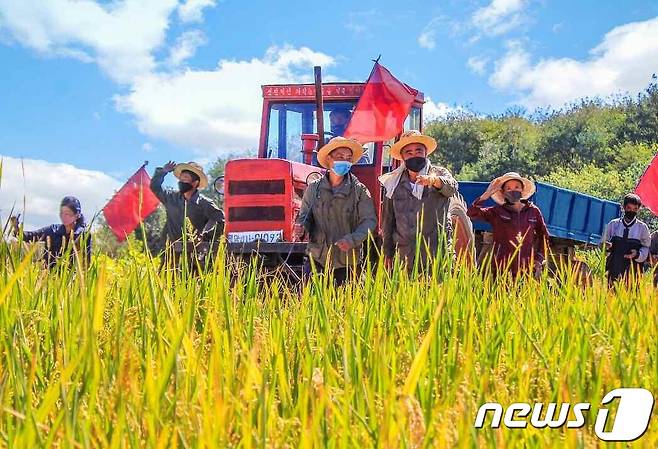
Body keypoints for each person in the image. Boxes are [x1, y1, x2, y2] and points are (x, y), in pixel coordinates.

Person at [293, 136, 377, 286]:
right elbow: (304, 217)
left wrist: (352, 240)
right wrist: (301, 228)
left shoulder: (359, 191)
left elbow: (369, 222)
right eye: (340, 157)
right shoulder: (314, 189)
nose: (344, 161)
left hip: (348, 264)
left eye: (348, 158)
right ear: (329, 159)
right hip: (317, 261)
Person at [379, 130, 458, 271]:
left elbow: (452, 188)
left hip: (437, 255)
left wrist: (433, 181)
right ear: (402, 157)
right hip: (405, 257)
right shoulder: (393, 183)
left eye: (418, 151)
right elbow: (388, 221)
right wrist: (387, 252)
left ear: (425, 153)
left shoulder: (439, 173)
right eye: (409, 153)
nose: (414, 155)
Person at [467, 172, 549, 277]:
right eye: (508, 188)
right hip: (502, 270)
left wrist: (539, 259)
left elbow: (544, 236)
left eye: (516, 187)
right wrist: (486, 194)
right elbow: (472, 213)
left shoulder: (533, 211)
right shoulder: (497, 212)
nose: (513, 190)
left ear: (522, 189)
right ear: (503, 192)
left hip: (527, 270)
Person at [150, 161, 224, 248]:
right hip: (170, 252)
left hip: (193, 252)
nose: (181, 181)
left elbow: (221, 220)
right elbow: (155, 187)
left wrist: (206, 237)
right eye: (180, 178)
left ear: (195, 183)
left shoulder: (204, 203)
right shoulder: (171, 198)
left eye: (185, 178)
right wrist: (163, 172)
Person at [12, 196, 91, 268]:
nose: (63, 216)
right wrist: (16, 228)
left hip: (72, 277)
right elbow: (29, 236)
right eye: (62, 213)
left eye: (67, 214)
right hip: (49, 275)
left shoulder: (83, 235)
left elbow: (85, 263)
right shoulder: (52, 230)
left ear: (77, 215)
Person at [603, 194, 650, 284]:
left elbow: (646, 247)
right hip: (614, 267)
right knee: (611, 291)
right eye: (629, 208)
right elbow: (603, 244)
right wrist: (606, 246)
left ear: (638, 209)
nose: (632, 211)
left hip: (633, 270)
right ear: (624, 207)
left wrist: (637, 254)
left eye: (635, 209)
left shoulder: (642, 228)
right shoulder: (613, 224)